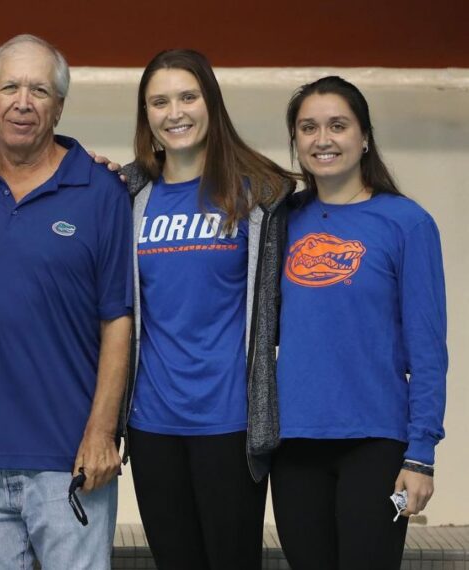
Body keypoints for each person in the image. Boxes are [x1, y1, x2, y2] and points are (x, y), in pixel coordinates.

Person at [0, 35, 133, 570]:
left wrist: (103, 433)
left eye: (39, 90)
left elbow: (117, 321)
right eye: (9, 87)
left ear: (59, 105)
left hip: (70, 458)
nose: (22, 102)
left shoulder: (102, 192)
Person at [121, 49, 294, 569]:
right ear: (146, 115)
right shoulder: (126, 194)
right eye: (159, 101)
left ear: (211, 104)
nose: (175, 112)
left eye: (188, 96)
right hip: (152, 423)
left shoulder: (263, 194)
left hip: (231, 423)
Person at [271, 75, 447, 570]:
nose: (322, 139)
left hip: (377, 447)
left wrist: (420, 456)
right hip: (295, 444)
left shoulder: (407, 223)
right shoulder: (280, 220)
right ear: (296, 141)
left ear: (364, 136)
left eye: (338, 125)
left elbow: (428, 350)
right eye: (308, 127)